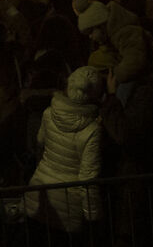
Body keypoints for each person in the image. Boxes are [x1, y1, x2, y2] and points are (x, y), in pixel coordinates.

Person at [28, 65, 105, 234]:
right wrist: (93, 216)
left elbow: (40, 141)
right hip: (68, 207)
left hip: (39, 194)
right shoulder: (92, 130)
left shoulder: (49, 113)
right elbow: (88, 177)